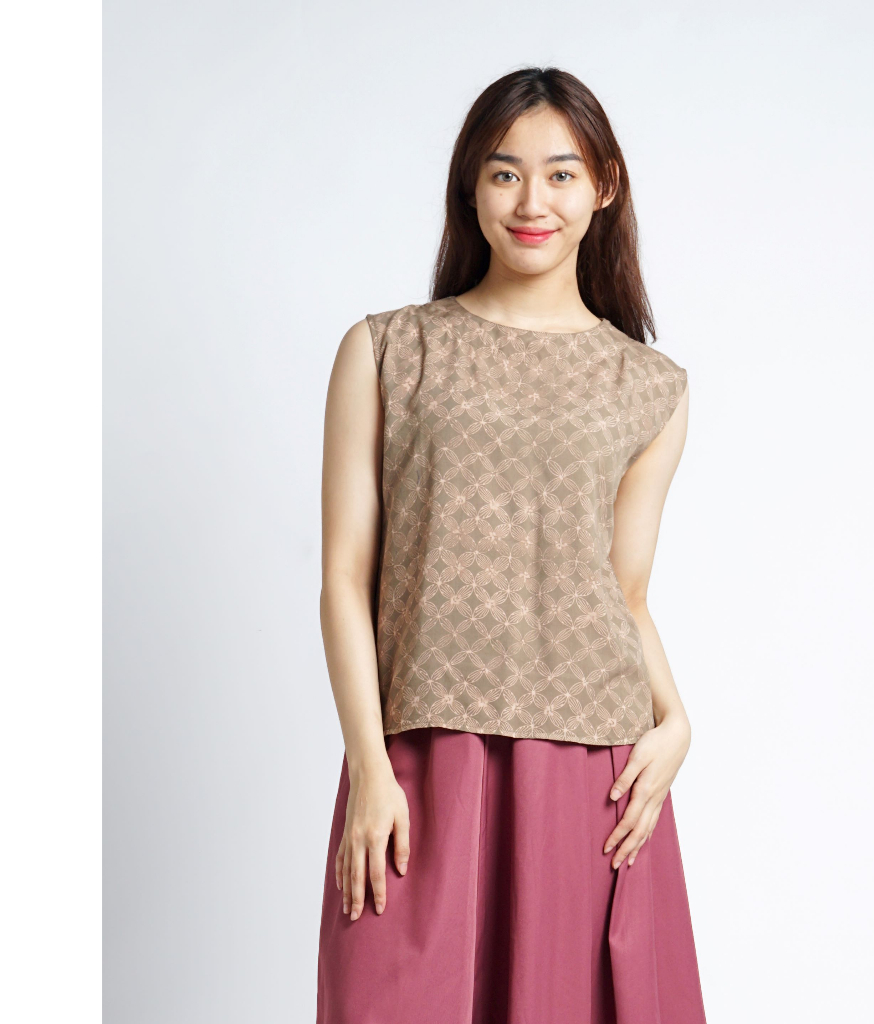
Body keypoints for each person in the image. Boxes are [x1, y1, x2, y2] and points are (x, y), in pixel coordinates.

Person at [316, 66, 707, 1023]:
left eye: (561, 174)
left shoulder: (650, 386)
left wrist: (677, 722)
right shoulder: (388, 350)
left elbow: (624, 593)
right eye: (505, 173)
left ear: (604, 186)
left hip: (589, 770)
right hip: (421, 757)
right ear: (471, 187)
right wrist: (370, 766)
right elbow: (343, 578)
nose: (533, 201)